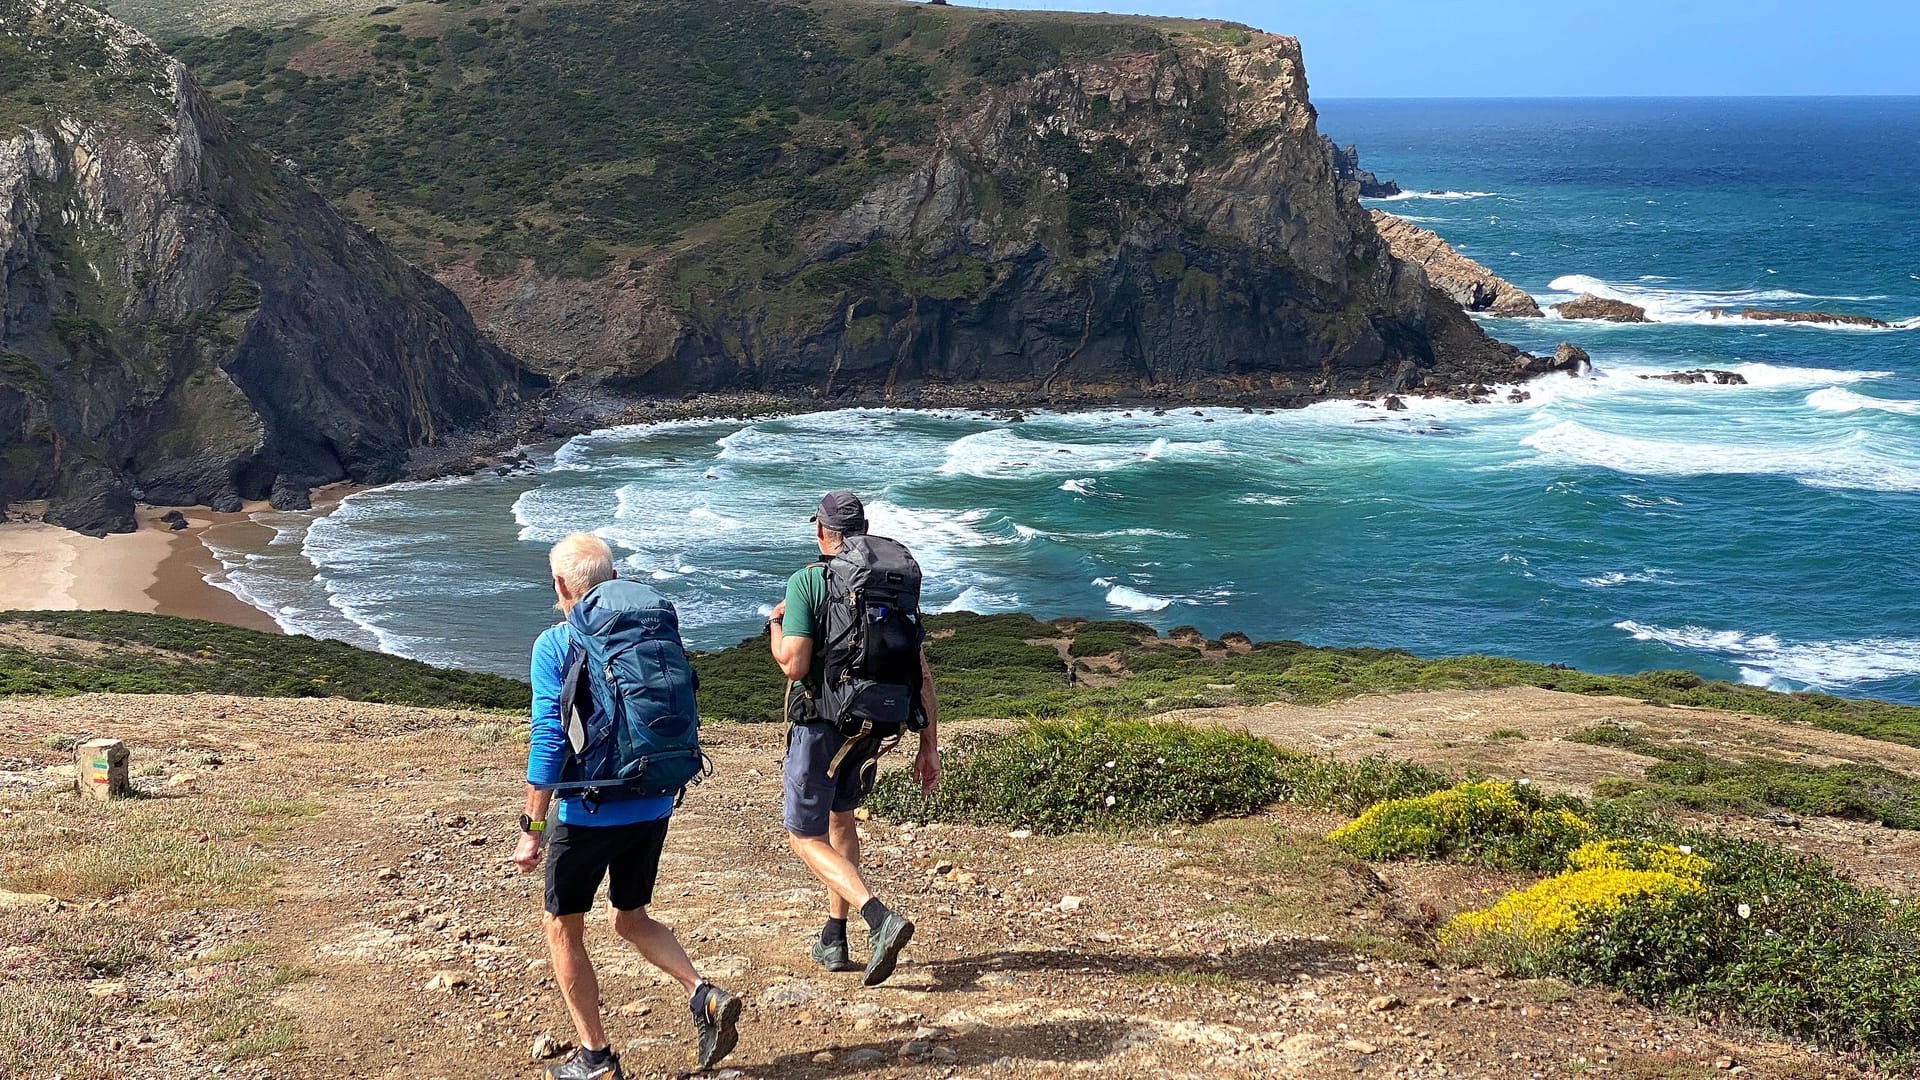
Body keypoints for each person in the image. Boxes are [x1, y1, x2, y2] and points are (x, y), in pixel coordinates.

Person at [512, 532, 740, 1079]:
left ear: (562, 585)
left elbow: (549, 737)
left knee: (563, 927)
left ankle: (594, 1059)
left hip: (589, 808)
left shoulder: (556, 643)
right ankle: (702, 993)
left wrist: (532, 825)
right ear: (611, 581)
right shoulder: (649, 636)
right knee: (630, 917)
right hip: (654, 798)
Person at [768, 491, 940, 986]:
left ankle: (877, 916)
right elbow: (921, 675)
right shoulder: (889, 589)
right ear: (864, 528)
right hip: (874, 726)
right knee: (842, 822)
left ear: (822, 533)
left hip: (821, 730)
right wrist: (928, 747)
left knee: (804, 836)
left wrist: (776, 625)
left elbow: (795, 664)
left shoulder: (808, 581)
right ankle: (834, 937)